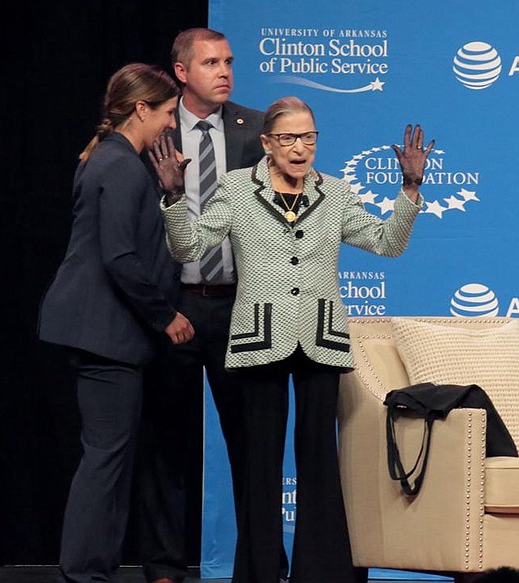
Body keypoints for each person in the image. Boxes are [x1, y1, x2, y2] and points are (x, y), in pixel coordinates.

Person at [151, 96, 434, 583]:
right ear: (266, 143)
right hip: (260, 338)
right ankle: (259, 572)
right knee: (259, 462)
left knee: (319, 457)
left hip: (320, 339)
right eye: (287, 138)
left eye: (308, 137)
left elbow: (388, 243)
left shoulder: (338, 193)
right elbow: (189, 247)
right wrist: (176, 198)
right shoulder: (237, 190)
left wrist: (410, 187)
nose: (299, 148)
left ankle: (321, 572)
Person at [37, 63, 194, 583]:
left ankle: (91, 570)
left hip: (102, 331)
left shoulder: (107, 158)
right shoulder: (120, 166)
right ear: (141, 109)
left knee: (109, 457)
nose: (171, 125)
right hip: (105, 332)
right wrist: (165, 314)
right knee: (106, 459)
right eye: (168, 113)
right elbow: (120, 258)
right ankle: (85, 574)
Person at [136, 28, 271, 583]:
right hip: (174, 307)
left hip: (239, 307)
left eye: (229, 62)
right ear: (182, 72)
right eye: (211, 62)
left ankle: (259, 563)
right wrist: (158, 308)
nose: (225, 72)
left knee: (250, 444)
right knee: (166, 442)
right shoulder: (153, 132)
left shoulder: (257, 129)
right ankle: (165, 567)